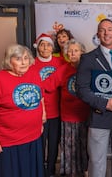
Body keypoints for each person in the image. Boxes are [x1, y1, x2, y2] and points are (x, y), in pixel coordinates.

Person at [0, 44, 45, 177]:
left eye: (26, 58)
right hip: (9, 143)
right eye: (18, 59)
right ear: (8, 61)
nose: (24, 62)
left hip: (33, 139)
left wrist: (42, 119)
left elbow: (40, 97)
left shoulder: (34, 74)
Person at [75, 18, 112, 177]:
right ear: (98, 34)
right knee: (97, 161)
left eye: (110, 29)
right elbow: (81, 89)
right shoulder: (89, 58)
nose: (107, 33)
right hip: (100, 115)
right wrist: (104, 103)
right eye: (102, 30)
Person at [43, 39, 90, 177]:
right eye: (69, 51)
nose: (72, 53)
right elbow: (47, 85)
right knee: (70, 149)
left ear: (82, 52)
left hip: (87, 117)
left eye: (76, 50)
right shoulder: (62, 70)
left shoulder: (89, 68)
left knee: (88, 148)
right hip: (68, 117)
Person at [31, 33, 62, 177]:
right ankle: (40, 170)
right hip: (38, 112)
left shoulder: (59, 62)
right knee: (40, 144)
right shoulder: (32, 63)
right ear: (38, 47)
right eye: (42, 44)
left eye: (48, 44)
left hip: (57, 111)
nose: (45, 47)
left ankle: (51, 170)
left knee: (54, 143)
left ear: (52, 47)